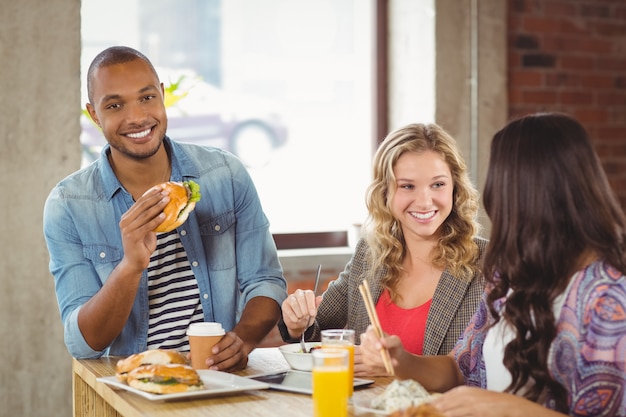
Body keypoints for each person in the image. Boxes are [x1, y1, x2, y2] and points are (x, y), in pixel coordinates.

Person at [361, 112, 626, 416]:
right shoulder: (511, 273)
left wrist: (511, 408)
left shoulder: (608, 295)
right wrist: (402, 361)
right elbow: (458, 368)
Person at [43, 46, 288, 371]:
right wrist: (130, 265)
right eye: (115, 105)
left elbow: (266, 281)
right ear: (94, 115)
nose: (137, 117)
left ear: (161, 95)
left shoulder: (225, 174)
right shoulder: (68, 206)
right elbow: (84, 343)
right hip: (134, 391)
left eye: (146, 98)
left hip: (218, 384)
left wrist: (242, 339)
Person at [279, 122, 487, 376]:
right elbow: (319, 327)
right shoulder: (369, 254)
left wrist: (397, 367)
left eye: (438, 185)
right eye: (407, 186)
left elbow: (484, 373)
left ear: (455, 188)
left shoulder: (488, 263)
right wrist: (297, 322)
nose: (424, 201)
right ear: (385, 192)